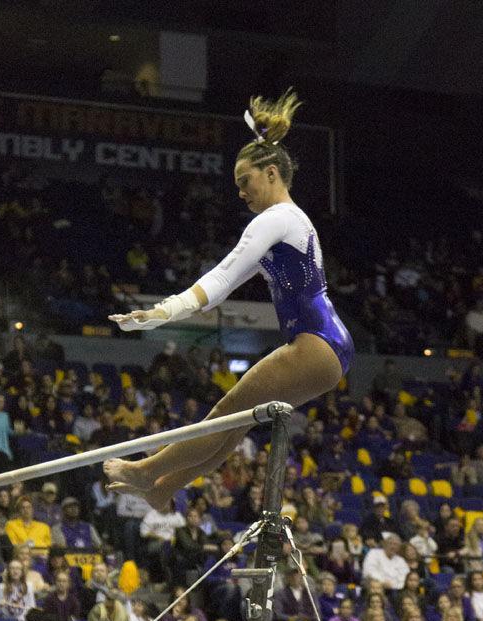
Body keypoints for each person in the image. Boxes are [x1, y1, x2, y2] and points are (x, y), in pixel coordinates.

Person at [103, 90, 353, 510]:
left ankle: (147, 471)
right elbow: (227, 284)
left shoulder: (277, 219)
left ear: (271, 173)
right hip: (327, 347)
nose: (240, 192)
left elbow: (222, 276)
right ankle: (164, 487)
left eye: (245, 182)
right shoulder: (287, 224)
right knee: (236, 425)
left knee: (229, 407)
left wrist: (163, 312)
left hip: (315, 341)